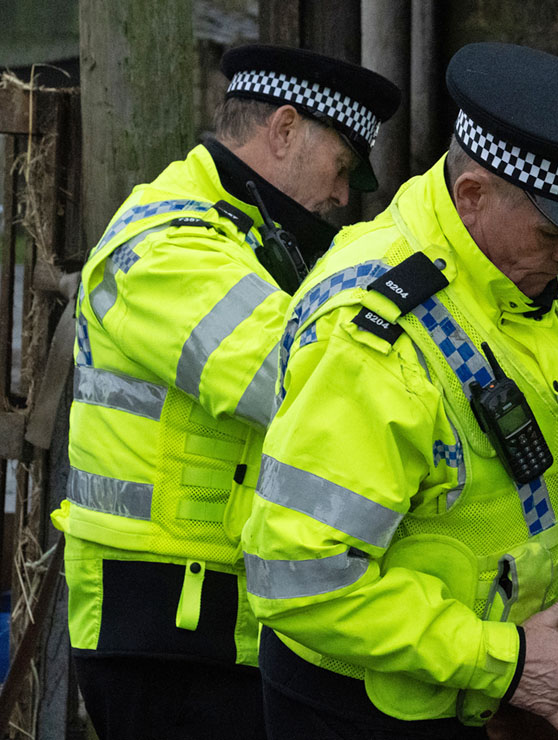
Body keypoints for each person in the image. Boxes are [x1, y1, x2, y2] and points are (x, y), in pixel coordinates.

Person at [238, 42, 558, 740]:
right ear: (472, 196)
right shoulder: (376, 335)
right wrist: (505, 662)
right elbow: (299, 574)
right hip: (374, 710)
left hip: (510, 688)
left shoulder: (553, 263)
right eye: (552, 232)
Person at [52, 45, 401, 740]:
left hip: (213, 620)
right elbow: (293, 382)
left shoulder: (256, 236)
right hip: (163, 631)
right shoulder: (167, 244)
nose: (343, 197)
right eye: (342, 168)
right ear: (284, 129)